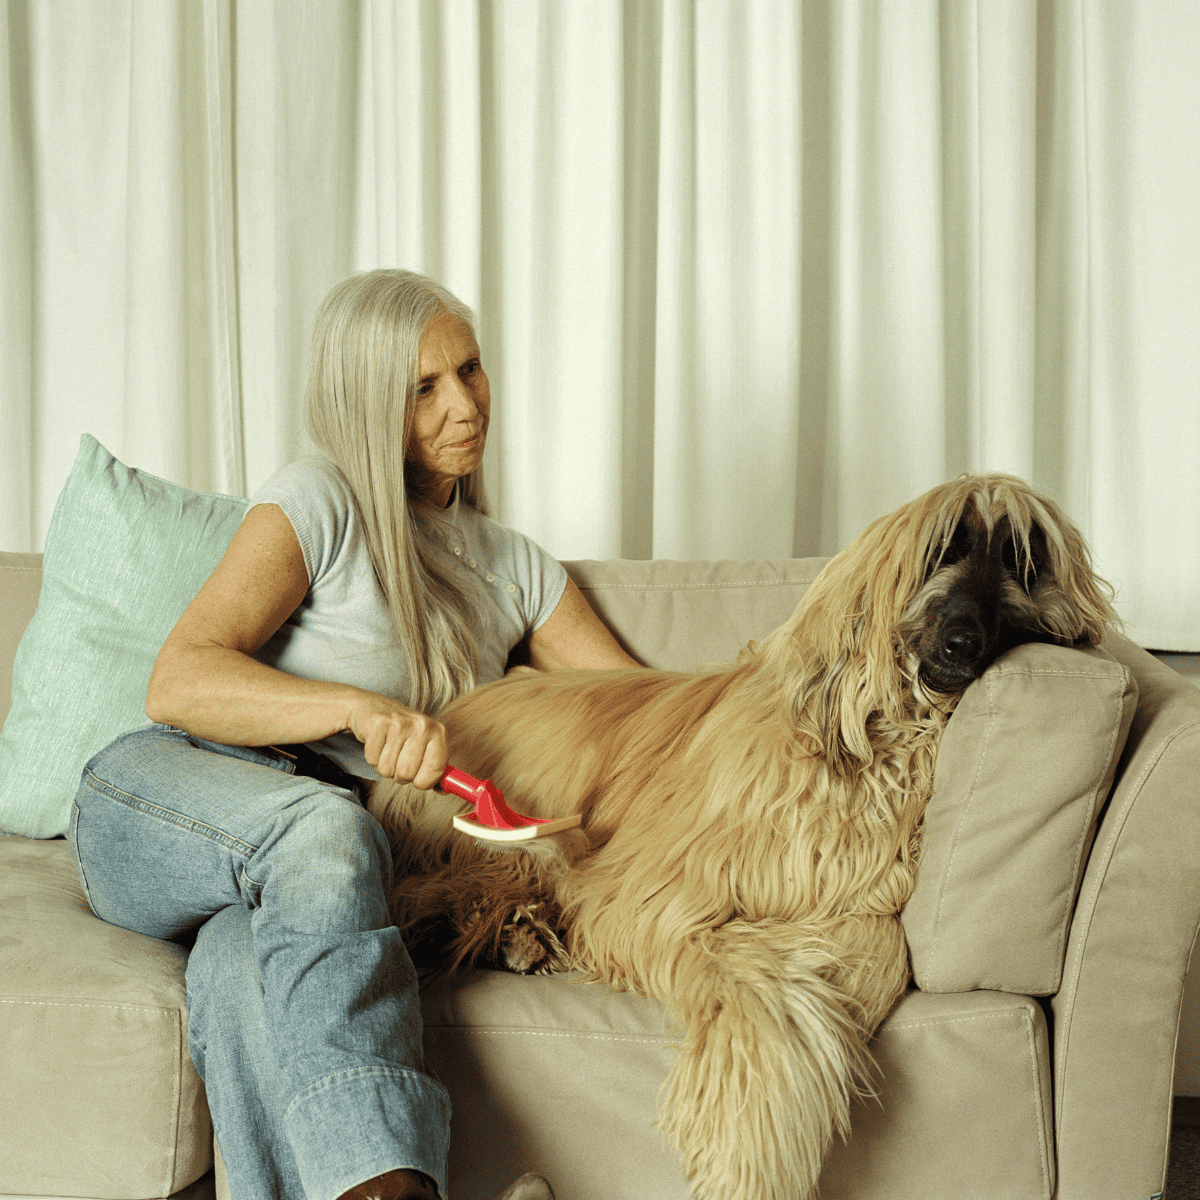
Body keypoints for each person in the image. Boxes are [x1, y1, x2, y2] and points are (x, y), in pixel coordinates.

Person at [66, 269, 639, 1200]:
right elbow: (181, 679)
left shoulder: (516, 570)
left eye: (470, 371)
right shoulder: (320, 500)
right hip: (169, 799)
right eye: (424, 388)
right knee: (332, 830)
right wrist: (355, 707)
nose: (464, 405)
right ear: (367, 402)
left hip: (308, 890)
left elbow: (642, 711)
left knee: (245, 973)